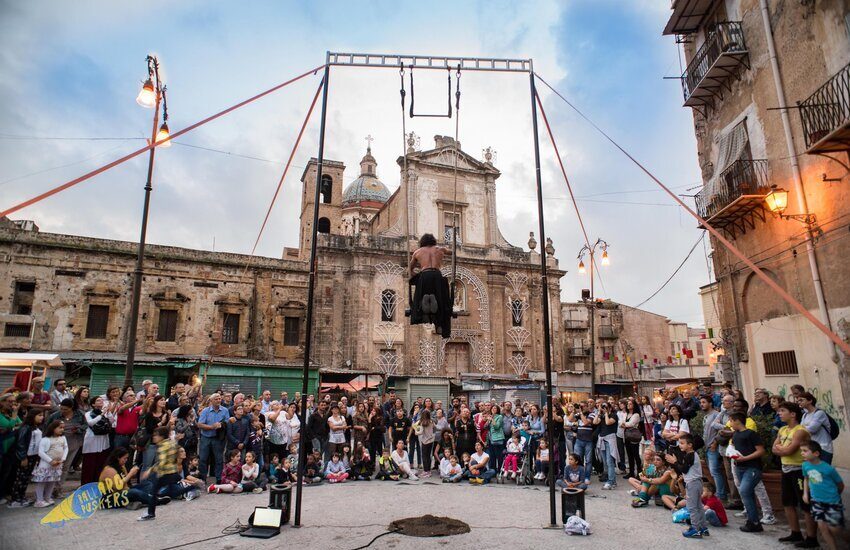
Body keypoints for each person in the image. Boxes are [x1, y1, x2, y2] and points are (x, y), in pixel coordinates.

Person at [773, 401, 817, 546]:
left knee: (805, 504)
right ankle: (795, 532)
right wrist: (782, 449)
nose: (779, 413)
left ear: (792, 414)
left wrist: (781, 449)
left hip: (799, 470)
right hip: (786, 469)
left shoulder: (800, 431)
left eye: (782, 411)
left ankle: (811, 538)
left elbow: (789, 450)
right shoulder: (782, 429)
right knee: (787, 502)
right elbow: (774, 448)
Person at [801, 441, 847, 550]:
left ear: (816, 453)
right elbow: (806, 478)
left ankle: (847, 539)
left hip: (832, 502)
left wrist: (834, 496)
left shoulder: (828, 469)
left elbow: (840, 485)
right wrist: (805, 493)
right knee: (823, 528)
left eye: (805, 451)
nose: (802, 453)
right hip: (816, 501)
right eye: (801, 451)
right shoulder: (805, 465)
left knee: (835, 529)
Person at [408, 233, 453, 335]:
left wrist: (416, 275)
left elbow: (409, 269)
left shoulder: (417, 252)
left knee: (419, 293)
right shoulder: (440, 249)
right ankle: (439, 325)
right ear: (433, 241)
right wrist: (450, 250)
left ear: (422, 242)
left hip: (424, 276)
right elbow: (452, 252)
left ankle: (422, 309)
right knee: (442, 299)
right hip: (437, 276)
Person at [729, 412, 766, 532]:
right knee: (747, 493)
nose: (730, 423)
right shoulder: (735, 434)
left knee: (744, 491)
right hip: (739, 467)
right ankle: (753, 521)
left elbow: (760, 451)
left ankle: (754, 521)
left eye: (731, 421)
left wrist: (745, 458)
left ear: (737, 421)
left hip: (752, 467)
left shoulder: (751, 434)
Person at [667, 433, 708, 538]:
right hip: (697, 482)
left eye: (682, 443)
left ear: (690, 445)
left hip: (693, 484)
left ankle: (695, 529)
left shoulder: (690, 455)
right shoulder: (692, 455)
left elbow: (684, 469)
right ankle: (703, 527)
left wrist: (674, 462)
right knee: (698, 506)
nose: (679, 445)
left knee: (692, 507)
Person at [9, 409, 44, 507]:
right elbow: (21, 443)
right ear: (32, 416)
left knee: (26, 478)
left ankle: (22, 497)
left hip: (33, 456)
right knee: (20, 478)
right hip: (26, 456)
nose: (42, 417)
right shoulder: (26, 427)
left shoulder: (36, 427)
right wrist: (23, 457)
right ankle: (15, 499)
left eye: (42, 415)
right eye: (39, 415)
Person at [29, 420, 67, 508]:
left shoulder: (63, 438)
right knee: (42, 482)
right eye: (60, 427)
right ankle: (39, 500)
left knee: (52, 481)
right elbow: (41, 452)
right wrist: (50, 461)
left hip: (57, 465)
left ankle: (47, 497)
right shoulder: (45, 439)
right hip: (46, 465)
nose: (62, 429)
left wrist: (63, 459)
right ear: (53, 428)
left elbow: (66, 448)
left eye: (63, 428)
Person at [197, 393, 230, 484]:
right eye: (216, 399)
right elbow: (200, 424)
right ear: (211, 401)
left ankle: (219, 478)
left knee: (219, 459)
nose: (218, 400)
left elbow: (227, 422)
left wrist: (222, 424)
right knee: (203, 459)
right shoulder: (205, 411)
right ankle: (203, 478)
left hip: (218, 438)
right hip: (206, 437)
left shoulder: (225, 410)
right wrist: (212, 427)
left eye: (219, 399)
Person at [798, 392, 835, 465]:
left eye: (801, 400)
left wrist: (803, 428)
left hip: (823, 447)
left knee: (823, 469)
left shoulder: (819, 413)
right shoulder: (805, 415)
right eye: (798, 401)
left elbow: (812, 429)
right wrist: (803, 429)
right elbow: (800, 429)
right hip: (811, 448)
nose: (799, 402)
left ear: (810, 401)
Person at [81, 396, 111, 485]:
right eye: (98, 400)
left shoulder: (105, 413)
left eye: (102, 400)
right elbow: (91, 423)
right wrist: (101, 415)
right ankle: (86, 485)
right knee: (89, 466)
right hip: (92, 442)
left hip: (103, 441)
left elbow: (112, 421)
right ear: (93, 404)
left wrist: (108, 413)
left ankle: (97, 484)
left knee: (100, 465)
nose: (101, 401)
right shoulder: (88, 413)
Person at [595, 402, 619, 490]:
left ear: (610, 408)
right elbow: (595, 422)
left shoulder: (614, 415)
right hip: (602, 440)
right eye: (602, 407)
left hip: (610, 440)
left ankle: (610, 481)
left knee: (609, 462)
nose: (603, 408)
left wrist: (606, 414)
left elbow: (608, 422)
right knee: (605, 462)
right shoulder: (601, 416)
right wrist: (599, 412)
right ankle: (613, 481)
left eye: (605, 407)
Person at [621, 399, 642, 479]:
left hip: (633, 436)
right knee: (630, 455)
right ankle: (631, 472)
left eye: (630, 404)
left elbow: (631, 424)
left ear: (634, 405)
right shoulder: (626, 414)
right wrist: (624, 424)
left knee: (636, 455)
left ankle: (639, 473)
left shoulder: (636, 415)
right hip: (627, 436)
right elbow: (621, 423)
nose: (628, 405)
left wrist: (624, 424)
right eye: (627, 404)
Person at [418, 410, 436, 476]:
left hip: (424, 441)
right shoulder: (431, 421)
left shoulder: (422, 422)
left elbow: (421, 432)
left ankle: (425, 471)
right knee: (429, 456)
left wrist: (416, 432)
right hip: (431, 440)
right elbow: (435, 428)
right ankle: (429, 470)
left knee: (424, 456)